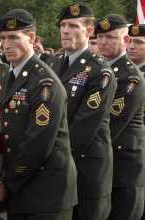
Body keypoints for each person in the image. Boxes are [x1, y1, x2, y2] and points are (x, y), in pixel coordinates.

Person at [0, 8, 77, 220]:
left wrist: (9, 182)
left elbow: (38, 142)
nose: (6, 44)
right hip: (25, 185)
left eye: (13, 37)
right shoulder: (12, 76)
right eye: (3, 38)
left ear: (31, 38)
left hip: (47, 191)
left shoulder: (44, 83)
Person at [48, 3, 117, 220]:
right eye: (63, 25)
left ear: (89, 31)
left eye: (73, 26)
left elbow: (83, 128)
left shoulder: (100, 72)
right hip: (57, 165)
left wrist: (47, 159)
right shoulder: (53, 63)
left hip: (86, 168)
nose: (65, 30)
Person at [96, 14, 145, 220]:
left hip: (123, 165)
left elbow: (110, 122)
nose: (103, 42)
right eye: (100, 37)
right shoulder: (98, 69)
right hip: (102, 162)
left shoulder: (130, 77)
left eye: (111, 37)